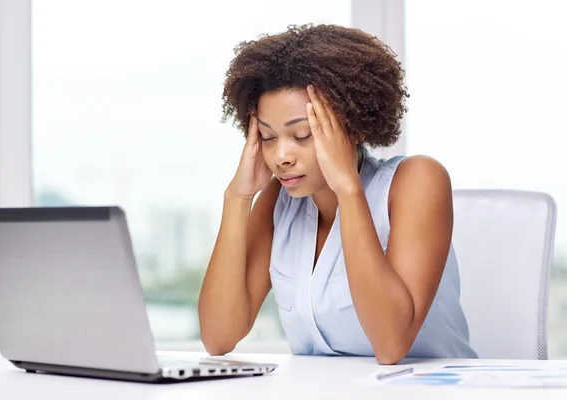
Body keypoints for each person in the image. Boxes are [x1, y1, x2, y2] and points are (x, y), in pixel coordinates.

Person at [198, 23, 478, 364]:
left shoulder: (416, 181)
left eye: (302, 135)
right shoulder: (278, 202)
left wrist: (348, 189)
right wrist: (237, 198)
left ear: (354, 126)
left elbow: (390, 345)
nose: (281, 156)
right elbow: (219, 337)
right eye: (268, 138)